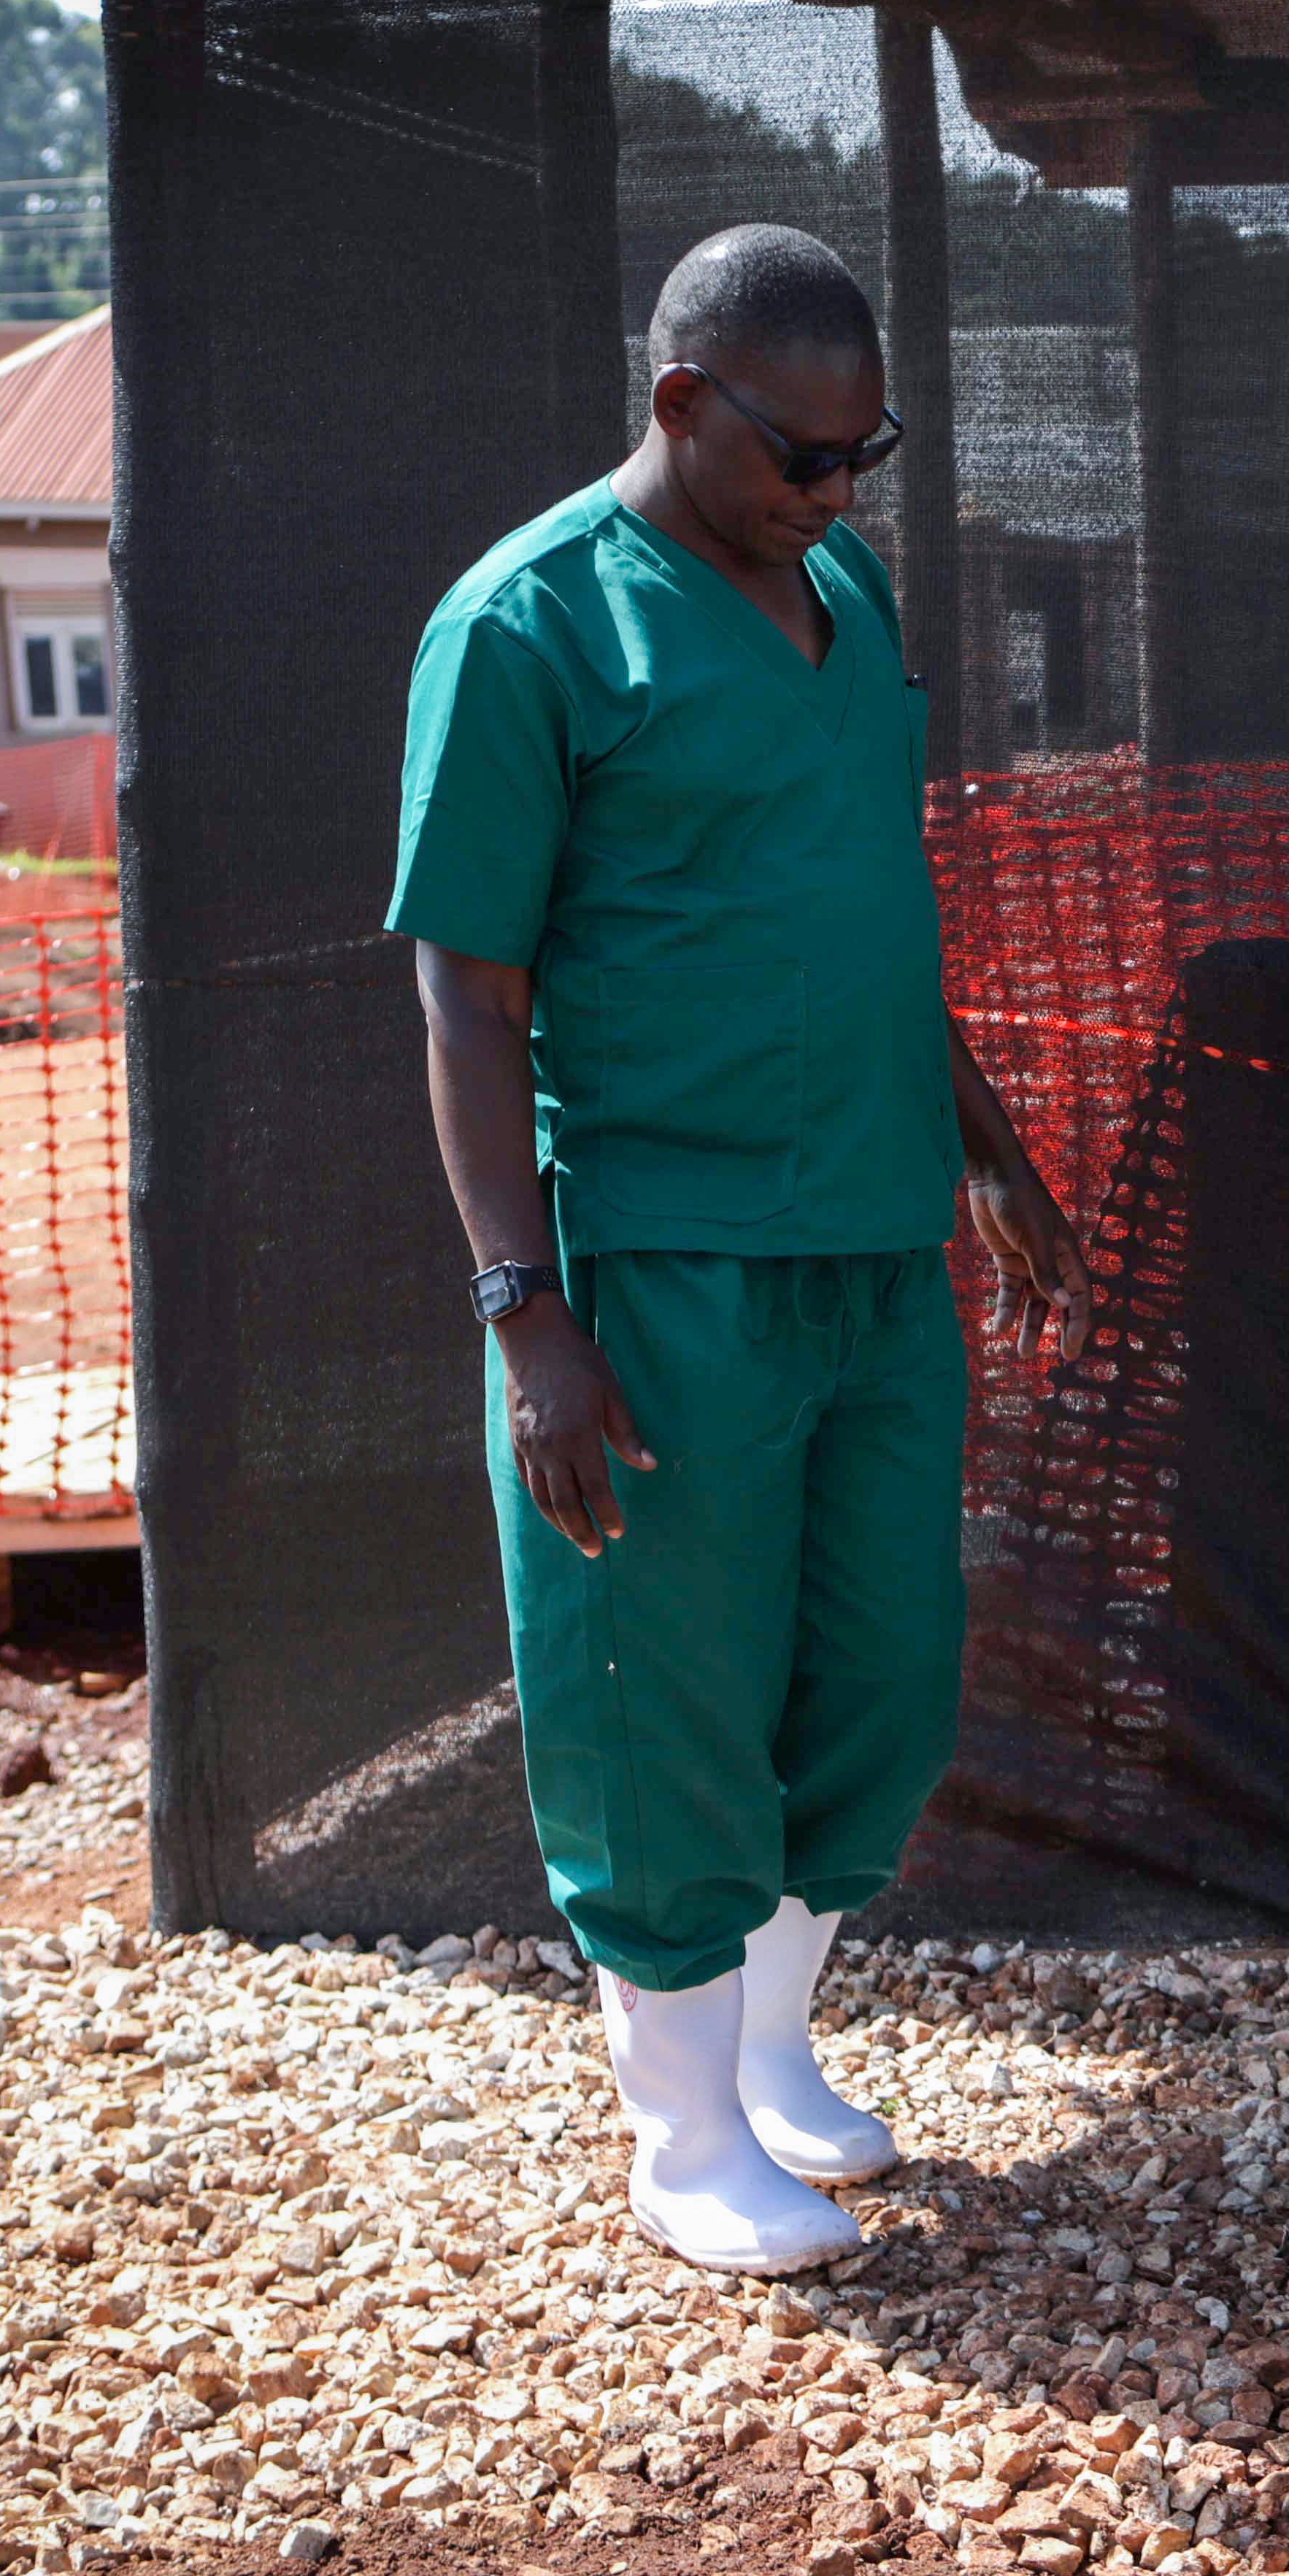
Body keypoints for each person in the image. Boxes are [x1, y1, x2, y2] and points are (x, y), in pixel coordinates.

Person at [392, 224, 1085, 2279]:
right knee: (665, 1690)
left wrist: (984, 1148)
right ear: (683, 402)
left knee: (876, 1665)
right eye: (802, 455)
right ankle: (680, 2130)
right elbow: (463, 1004)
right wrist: (529, 1316)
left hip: (872, 1239)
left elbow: (865, 912)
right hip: (660, 1248)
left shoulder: (842, 596)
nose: (839, 493)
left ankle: (770, 2053)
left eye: (868, 453)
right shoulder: (527, 631)